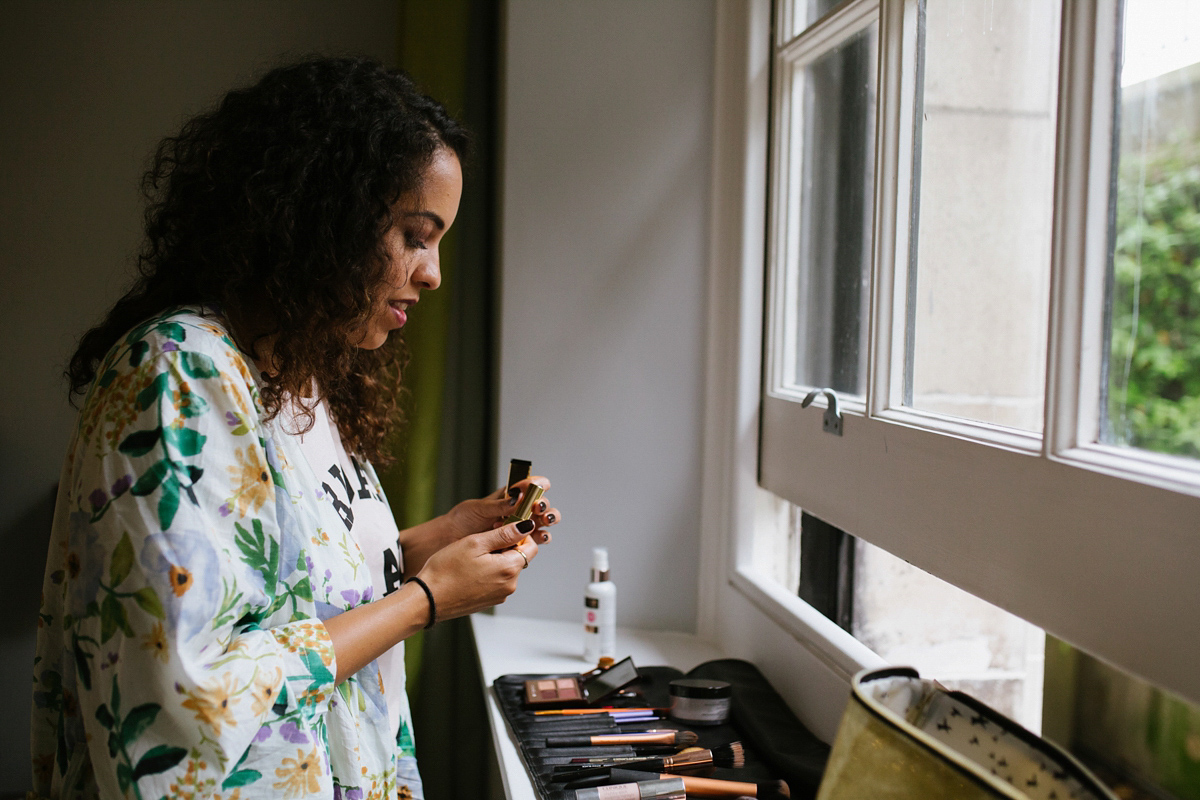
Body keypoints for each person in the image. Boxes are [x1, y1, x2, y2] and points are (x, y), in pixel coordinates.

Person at [30, 57, 558, 800]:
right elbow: (188, 691)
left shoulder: (307, 378)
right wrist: (427, 599)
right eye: (415, 234)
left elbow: (287, 596)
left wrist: (426, 545)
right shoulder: (179, 374)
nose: (433, 272)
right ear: (326, 216)